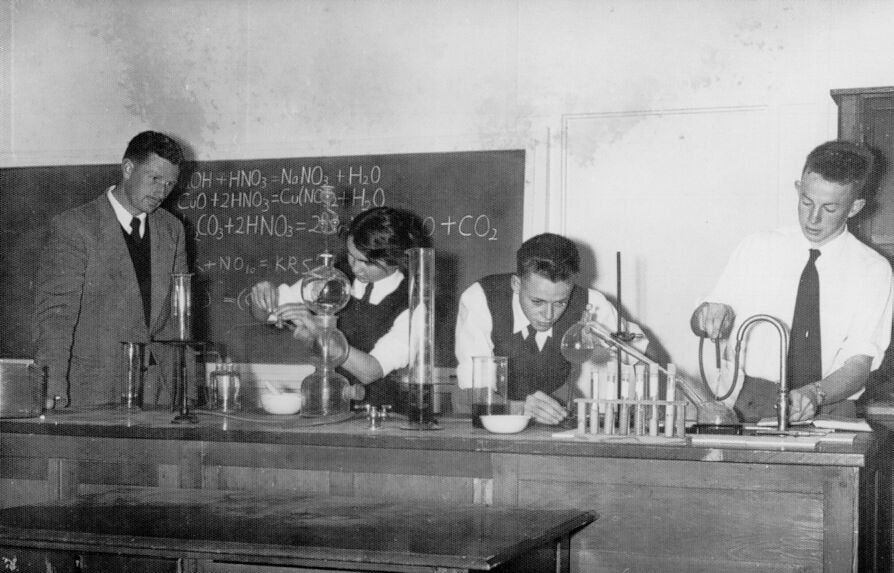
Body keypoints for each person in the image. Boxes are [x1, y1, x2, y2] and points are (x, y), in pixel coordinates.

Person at [691, 140, 894, 422]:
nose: (813, 218)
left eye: (830, 209)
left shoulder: (874, 270)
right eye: (806, 202)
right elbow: (704, 318)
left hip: (829, 404)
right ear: (798, 189)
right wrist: (708, 315)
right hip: (750, 403)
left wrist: (814, 394)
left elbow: (859, 362)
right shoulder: (757, 247)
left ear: (855, 207)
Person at [33, 131, 190, 409]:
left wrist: (185, 390)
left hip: (158, 391)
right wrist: (52, 386)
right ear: (128, 168)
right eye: (154, 179)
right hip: (91, 391)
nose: (161, 192)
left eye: (169, 184)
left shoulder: (172, 229)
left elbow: (178, 317)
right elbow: (56, 316)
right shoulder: (74, 227)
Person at [455, 232, 646, 425]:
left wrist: (645, 403)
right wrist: (520, 408)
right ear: (516, 284)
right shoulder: (482, 299)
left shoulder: (590, 303)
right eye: (537, 301)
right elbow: (471, 396)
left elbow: (644, 354)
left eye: (560, 303)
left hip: (553, 423)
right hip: (490, 427)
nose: (548, 315)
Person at [249, 206, 430, 408]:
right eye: (352, 256)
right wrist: (262, 299)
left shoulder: (412, 304)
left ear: (395, 260)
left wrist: (319, 331)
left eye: (366, 262)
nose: (355, 267)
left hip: (382, 415)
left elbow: (370, 371)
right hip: (328, 403)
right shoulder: (333, 277)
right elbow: (266, 315)